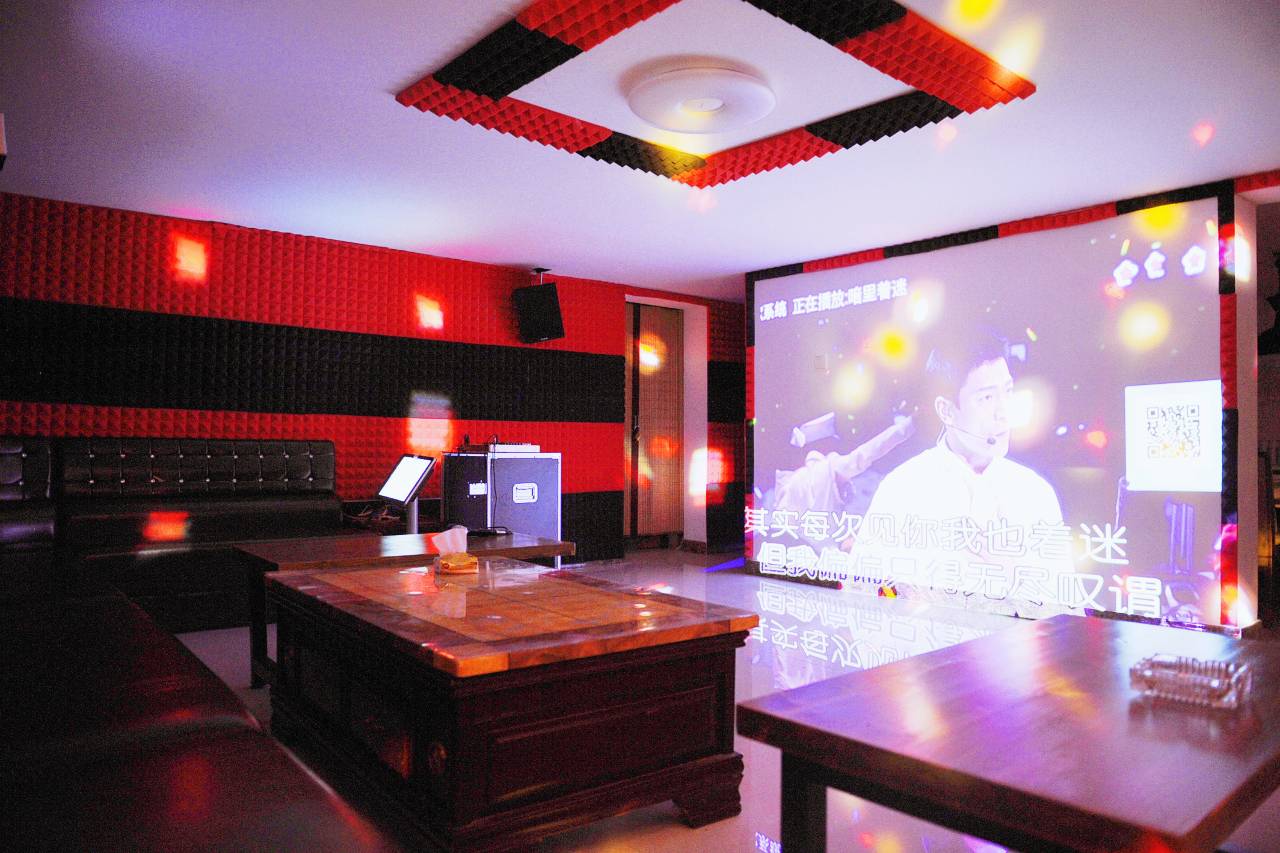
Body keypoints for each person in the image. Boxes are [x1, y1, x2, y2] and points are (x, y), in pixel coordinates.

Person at [853, 328, 1075, 614]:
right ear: (946, 410)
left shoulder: (1034, 492)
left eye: (1008, 392)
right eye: (986, 398)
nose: (1003, 412)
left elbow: (1065, 611)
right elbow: (864, 599)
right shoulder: (903, 487)